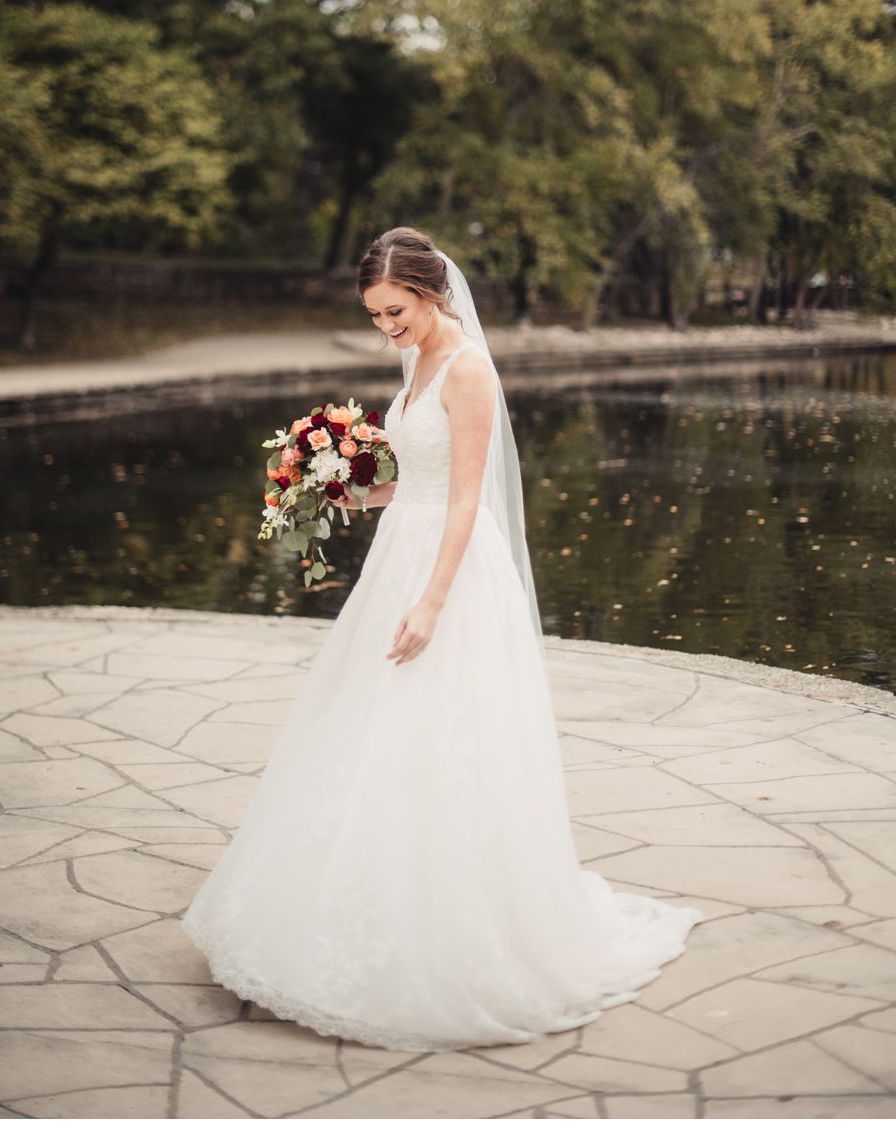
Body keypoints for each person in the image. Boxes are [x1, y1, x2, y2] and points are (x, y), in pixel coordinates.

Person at [181, 227, 698, 1051]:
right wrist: (346, 493)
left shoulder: (468, 370)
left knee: (441, 735)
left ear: (429, 293)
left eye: (395, 311)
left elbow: (466, 498)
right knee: (367, 729)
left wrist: (431, 602)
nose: (386, 326)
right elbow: (417, 481)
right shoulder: (416, 358)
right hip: (402, 552)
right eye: (375, 314)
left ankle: (450, 926)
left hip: (450, 573)